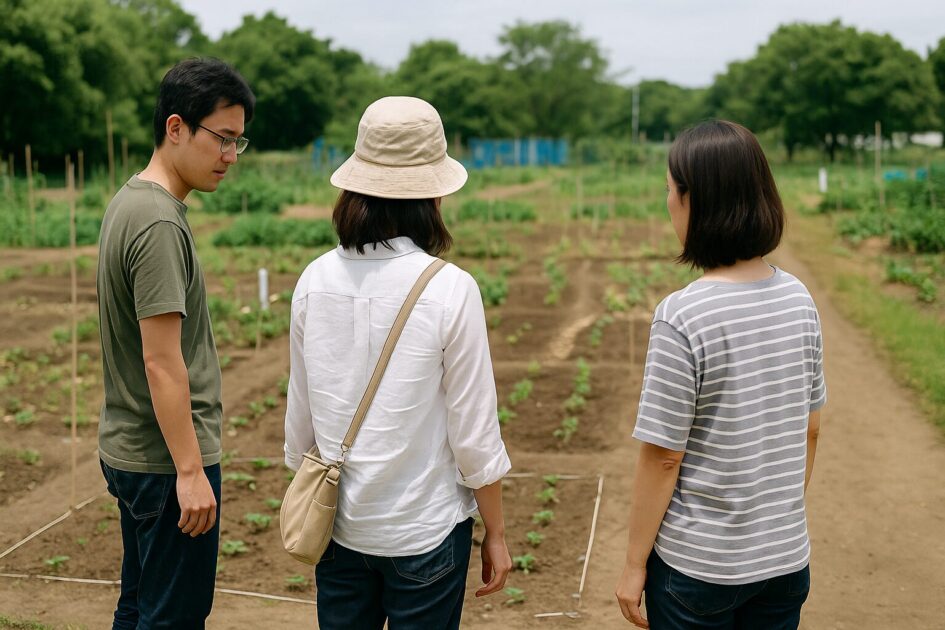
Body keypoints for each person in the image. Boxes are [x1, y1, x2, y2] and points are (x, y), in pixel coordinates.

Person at [283, 96, 512, 629]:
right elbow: (474, 434)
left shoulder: (313, 280)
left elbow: (301, 422)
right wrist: (495, 532)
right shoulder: (450, 288)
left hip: (339, 528)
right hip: (425, 531)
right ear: (432, 194)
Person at [615, 120, 826, 629]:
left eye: (670, 191)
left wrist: (633, 563)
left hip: (698, 571)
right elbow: (811, 427)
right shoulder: (799, 298)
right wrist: (770, 523)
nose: (668, 204)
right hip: (784, 561)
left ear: (695, 202)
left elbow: (665, 456)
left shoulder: (683, 315)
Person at [96, 58, 254, 629]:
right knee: (174, 618)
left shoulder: (130, 201)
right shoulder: (160, 223)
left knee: (139, 606)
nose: (231, 157)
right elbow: (162, 363)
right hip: (166, 463)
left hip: (133, 446)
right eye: (223, 139)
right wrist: (190, 471)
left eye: (240, 142)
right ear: (176, 127)